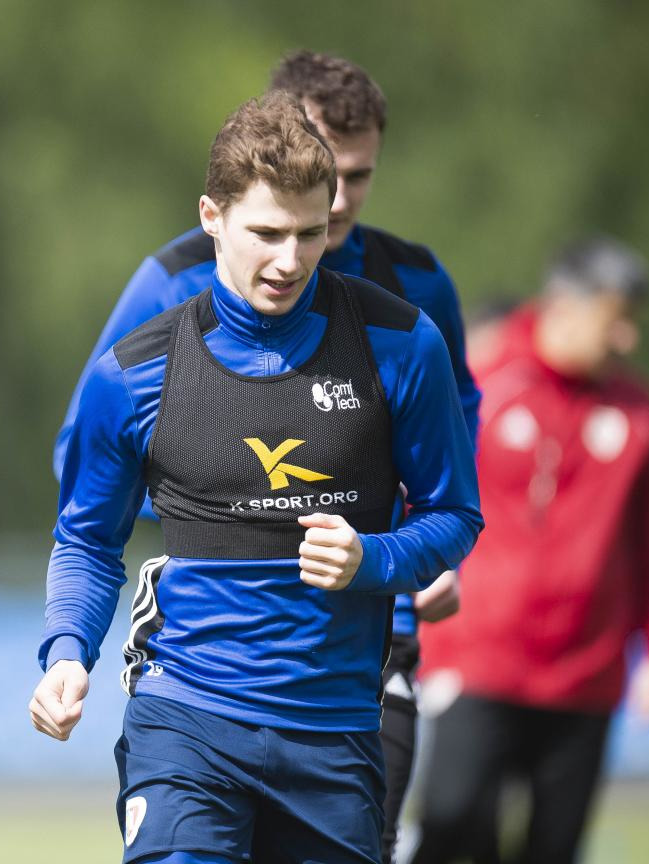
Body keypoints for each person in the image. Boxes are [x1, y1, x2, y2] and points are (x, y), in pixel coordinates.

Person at [30, 91, 482, 864]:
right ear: (212, 217)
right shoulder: (134, 373)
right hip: (185, 719)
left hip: (335, 730)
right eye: (266, 234)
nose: (290, 261)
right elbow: (87, 540)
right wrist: (67, 651)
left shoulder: (403, 344)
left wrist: (374, 558)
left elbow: (454, 514)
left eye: (310, 233)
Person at [410, 237, 649, 864]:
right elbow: (419, 497)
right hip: (477, 658)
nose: (627, 339)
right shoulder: (481, 380)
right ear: (566, 307)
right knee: (453, 828)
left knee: (554, 849)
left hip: (586, 673)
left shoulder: (639, 412)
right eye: (616, 320)